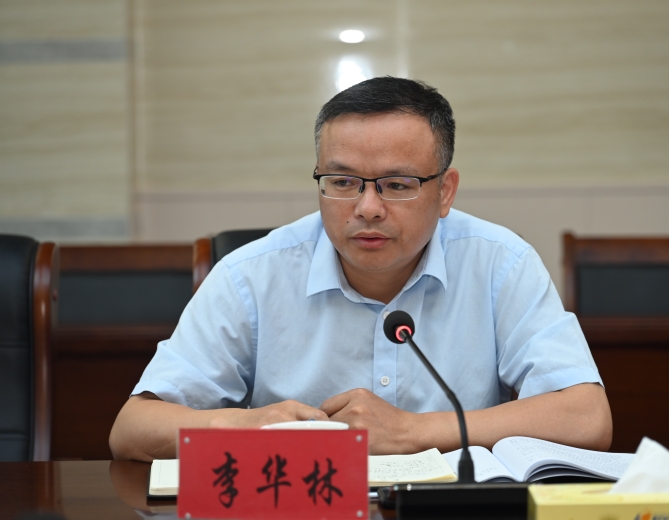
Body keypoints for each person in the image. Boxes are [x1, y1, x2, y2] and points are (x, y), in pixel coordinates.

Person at [109, 77, 611, 462]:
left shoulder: (501, 263)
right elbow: (132, 428)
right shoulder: (251, 276)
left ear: (445, 192)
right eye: (343, 182)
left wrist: (413, 432)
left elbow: (587, 417)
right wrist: (243, 427)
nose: (367, 208)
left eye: (397, 185)